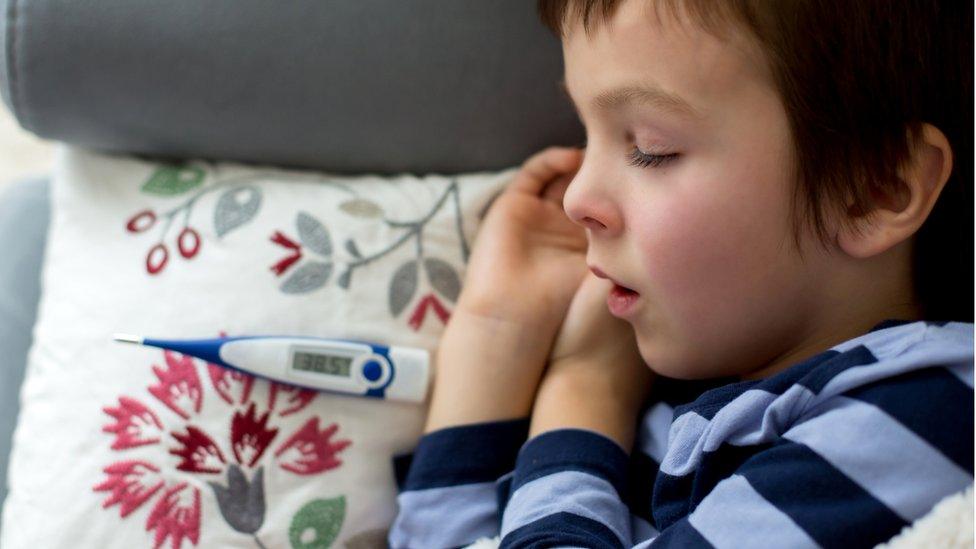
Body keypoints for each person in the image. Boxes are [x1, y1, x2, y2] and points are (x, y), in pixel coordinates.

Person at [390, 0, 973, 547]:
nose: (578, 198)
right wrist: (501, 330)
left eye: (650, 148)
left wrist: (585, 388)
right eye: (584, 134)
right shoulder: (698, 376)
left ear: (871, 190)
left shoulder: (928, 412)